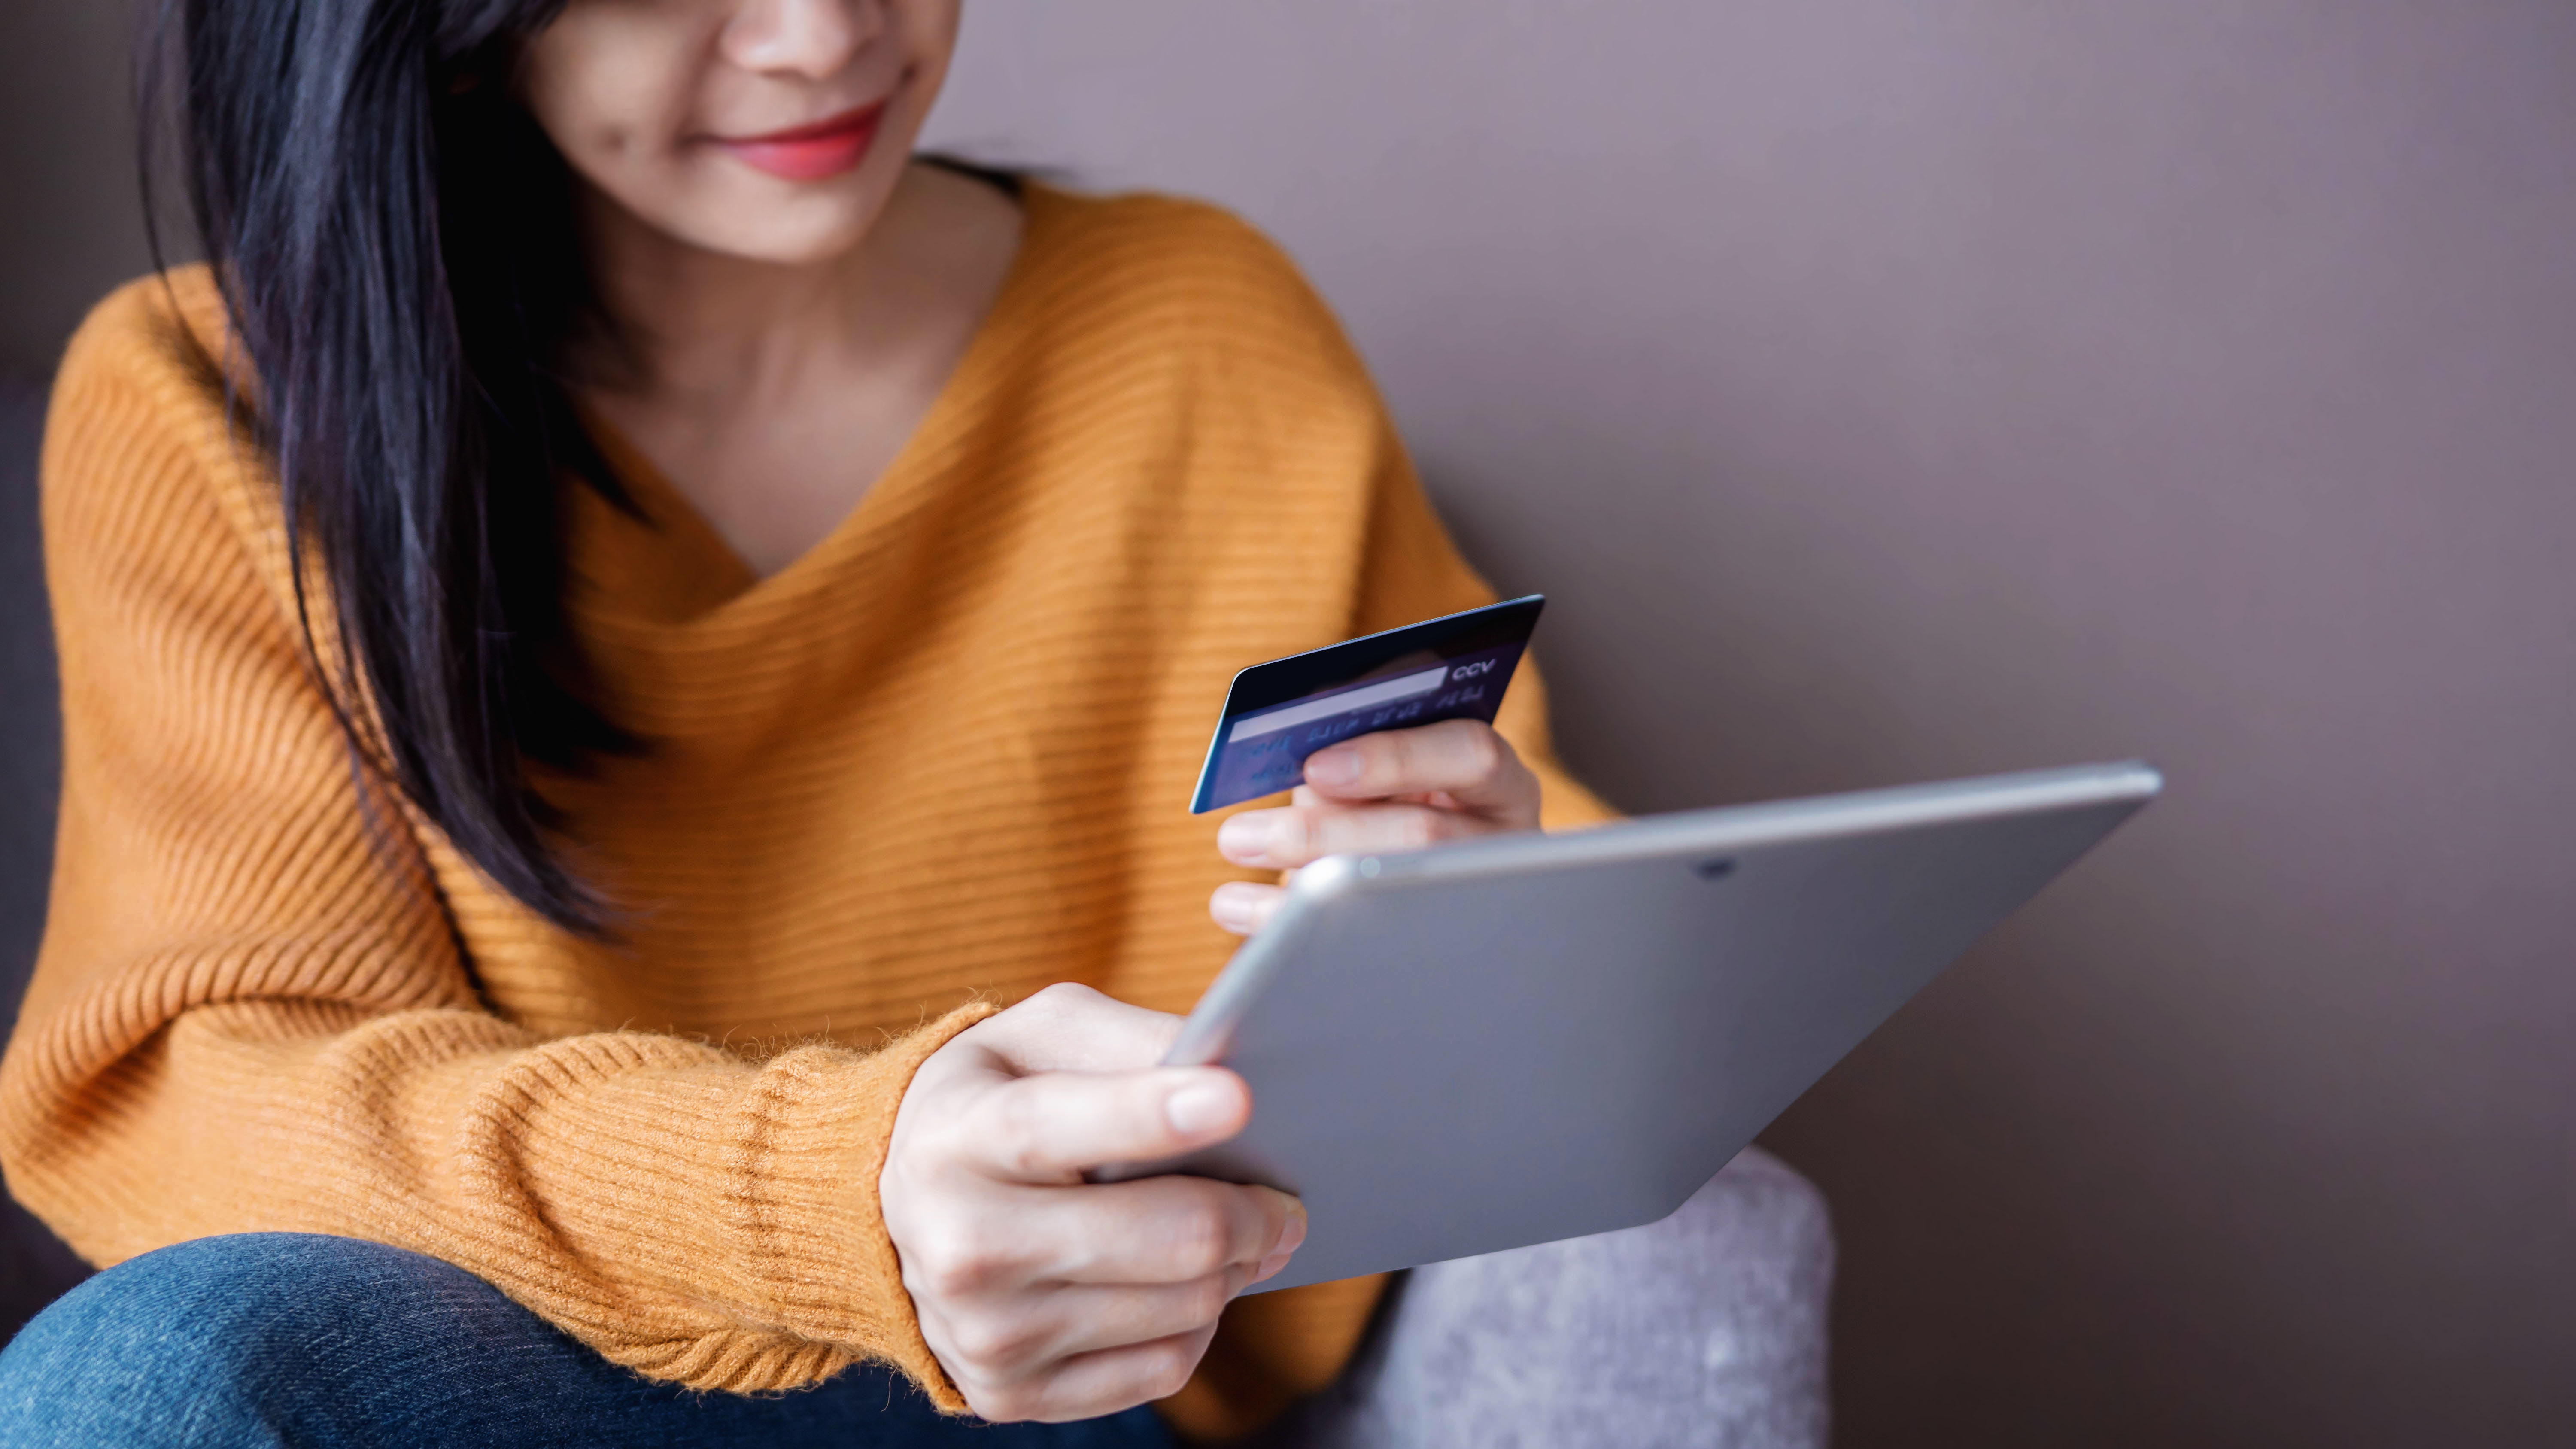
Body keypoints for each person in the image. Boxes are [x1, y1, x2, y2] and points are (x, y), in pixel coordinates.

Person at [0, 0, 1630, 1443]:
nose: (819, 34)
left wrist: (1459, 937)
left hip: (1069, 1401)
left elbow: (1600, 999)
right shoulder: (206, 406)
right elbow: (196, 1098)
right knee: (164, 1369)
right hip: (508, 1372)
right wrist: (836, 1197)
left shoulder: (1199, 329)